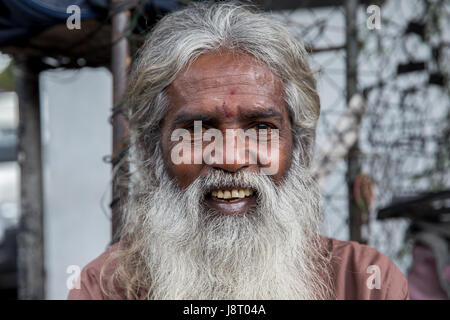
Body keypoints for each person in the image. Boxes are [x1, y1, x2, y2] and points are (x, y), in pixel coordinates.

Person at [68, 2, 409, 300]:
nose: (231, 158)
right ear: (150, 152)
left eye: (261, 128)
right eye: (198, 130)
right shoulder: (103, 289)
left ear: (301, 147)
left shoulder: (367, 283)